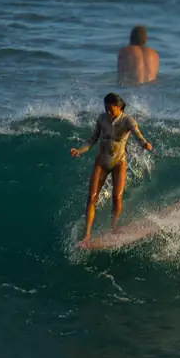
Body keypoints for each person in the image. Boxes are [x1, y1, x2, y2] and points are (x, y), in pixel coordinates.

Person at [70, 93, 153, 245]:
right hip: (101, 162)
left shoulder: (128, 121)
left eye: (110, 109)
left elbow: (138, 135)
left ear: (119, 106)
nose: (108, 112)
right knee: (92, 197)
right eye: (106, 109)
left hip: (118, 163)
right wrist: (79, 150)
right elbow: (92, 139)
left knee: (116, 197)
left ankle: (113, 228)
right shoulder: (102, 119)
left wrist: (144, 144)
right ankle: (87, 234)